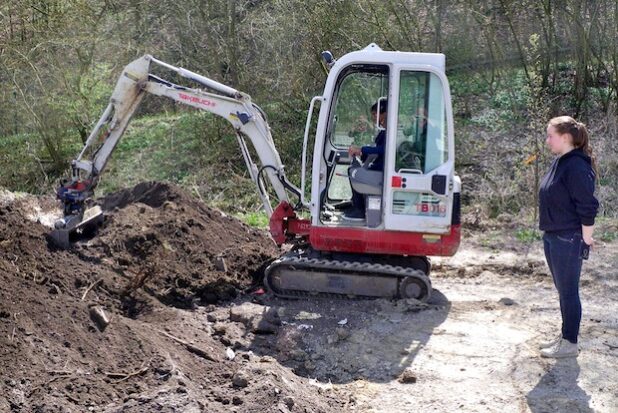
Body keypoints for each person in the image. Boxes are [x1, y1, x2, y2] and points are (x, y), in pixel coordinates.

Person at [538, 116, 599, 358]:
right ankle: (565, 336)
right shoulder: (561, 162)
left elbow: (587, 205)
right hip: (553, 236)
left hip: (568, 238)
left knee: (569, 291)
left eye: (550, 135)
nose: (547, 140)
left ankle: (570, 343)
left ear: (565, 137)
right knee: (563, 291)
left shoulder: (576, 166)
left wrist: (586, 239)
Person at [344, 99, 387, 220]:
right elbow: (376, 149)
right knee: (353, 169)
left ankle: (360, 210)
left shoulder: (389, 131)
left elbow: (383, 150)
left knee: (354, 172)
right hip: (378, 166)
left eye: (375, 114)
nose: (373, 118)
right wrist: (362, 153)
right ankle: (356, 204)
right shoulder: (383, 131)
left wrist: (361, 149)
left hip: (381, 170)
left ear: (384, 113)